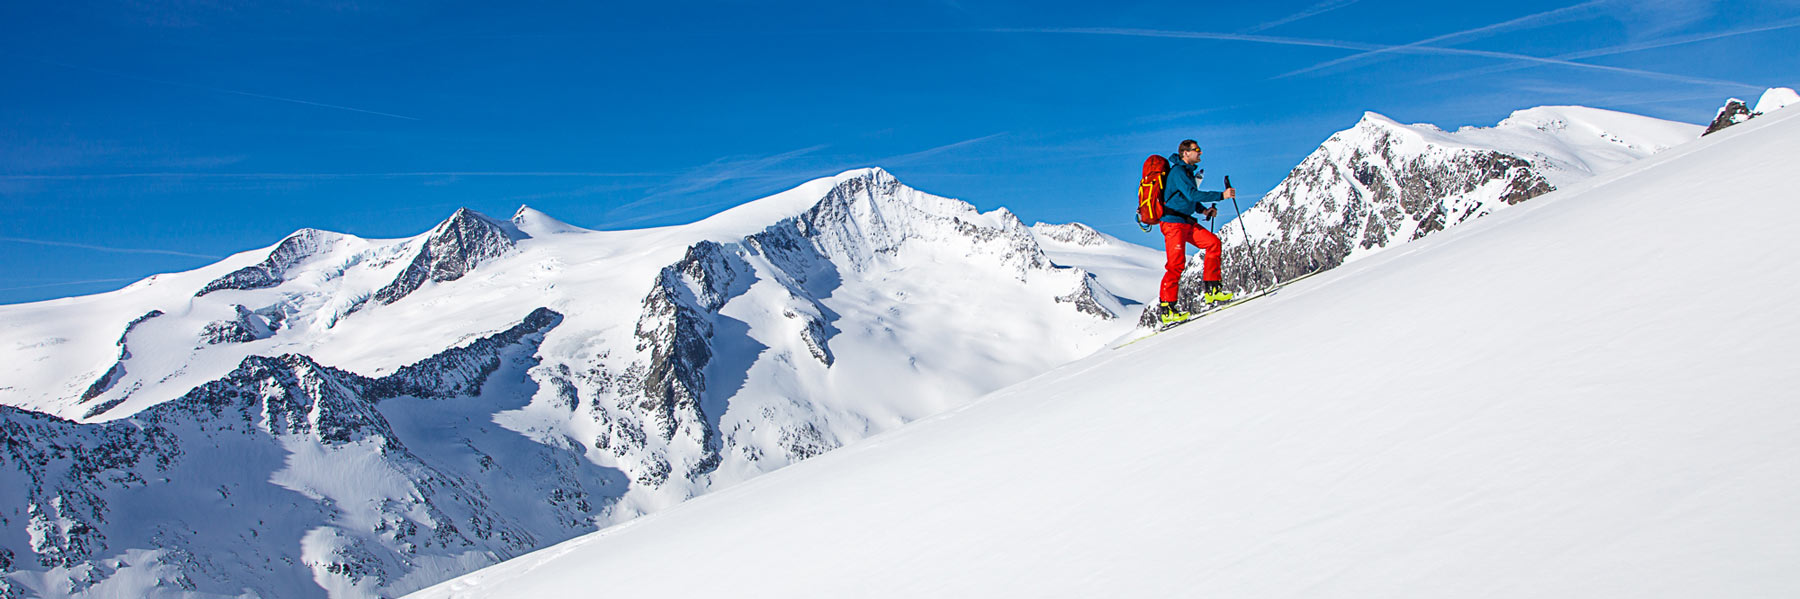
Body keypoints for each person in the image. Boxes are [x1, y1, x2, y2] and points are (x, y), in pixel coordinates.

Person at [1157, 139, 1234, 323]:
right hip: (1173, 224)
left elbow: (1188, 198)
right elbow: (1192, 194)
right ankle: (1167, 309)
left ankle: (1212, 290)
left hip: (1185, 222)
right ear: (1185, 153)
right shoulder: (1178, 172)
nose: (1200, 153)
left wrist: (1203, 210)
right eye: (1196, 150)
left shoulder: (1186, 172)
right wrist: (1221, 196)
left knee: (1213, 243)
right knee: (1176, 264)